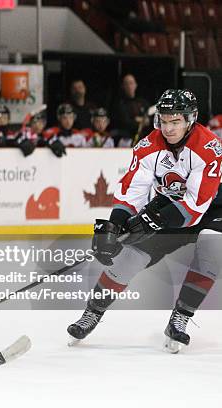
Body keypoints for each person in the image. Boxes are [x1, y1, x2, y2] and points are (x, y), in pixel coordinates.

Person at [67, 89, 222, 353]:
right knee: (130, 257)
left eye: (176, 121)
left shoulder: (208, 147)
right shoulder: (149, 146)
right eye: (164, 120)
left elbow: (196, 205)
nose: (169, 128)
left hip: (212, 210)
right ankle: (92, 312)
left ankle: (181, 317)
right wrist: (114, 227)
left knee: (213, 250)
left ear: (190, 119)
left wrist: (155, 220)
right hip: (166, 205)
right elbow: (132, 191)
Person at [110, 73, 150, 143]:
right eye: (126, 84)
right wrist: (140, 121)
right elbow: (125, 122)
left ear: (135, 85)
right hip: (126, 139)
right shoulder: (119, 104)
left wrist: (141, 120)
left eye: (131, 83)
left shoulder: (143, 102)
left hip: (145, 138)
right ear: (123, 86)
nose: (129, 86)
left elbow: (150, 118)